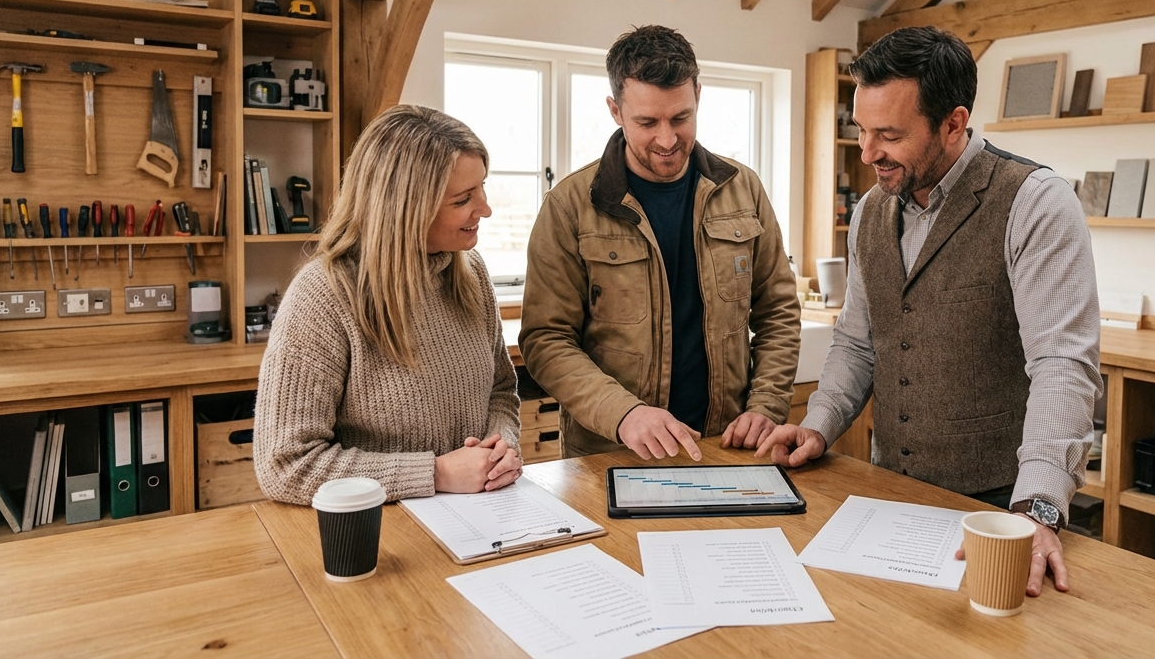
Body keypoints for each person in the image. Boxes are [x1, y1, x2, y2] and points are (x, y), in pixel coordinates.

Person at [757, 26, 1101, 598]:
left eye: (888, 135)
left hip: (997, 509)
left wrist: (1037, 508)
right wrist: (819, 424)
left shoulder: (1035, 202)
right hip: (889, 495)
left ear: (953, 123)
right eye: (861, 132)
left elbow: (1062, 365)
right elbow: (857, 343)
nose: (868, 154)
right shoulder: (871, 210)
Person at [520, 25, 801, 461]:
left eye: (680, 118)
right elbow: (546, 339)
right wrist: (625, 413)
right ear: (615, 110)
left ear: (698, 97)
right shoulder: (570, 205)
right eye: (647, 122)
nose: (668, 140)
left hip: (727, 447)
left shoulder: (743, 189)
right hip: (610, 453)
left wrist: (767, 406)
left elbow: (779, 311)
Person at [255, 105, 523, 505]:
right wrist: (435, 473)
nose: (484, 208)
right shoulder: (324, 295)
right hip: (378, 529)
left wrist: (501, 446)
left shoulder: (470, 273)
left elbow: (500, 390)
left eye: (482, 188)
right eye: (463, 199)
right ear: (405, 208)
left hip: (481, 514)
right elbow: (286, 466)